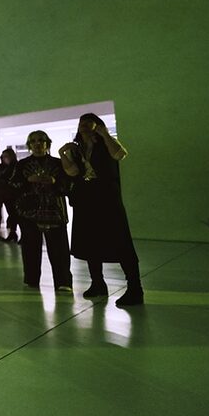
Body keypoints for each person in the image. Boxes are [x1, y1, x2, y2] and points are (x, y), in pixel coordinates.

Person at [60, 113, 143, 306]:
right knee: (90, 243)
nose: (84, 126)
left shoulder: (105, 144)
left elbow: (120, 154)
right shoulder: (77, 149)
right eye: (81, 122)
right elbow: (71, 172)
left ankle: (135, 288)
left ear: (98, 125)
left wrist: (105, 135)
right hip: (85, 201)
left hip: (108, 200)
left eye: (89, 122)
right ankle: (98, 283)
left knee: (121, 241)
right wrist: (63, 153)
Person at [10, 131, 72, 293]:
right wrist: (27, 181)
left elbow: (67, 185)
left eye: (41, 140)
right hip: (29, 213)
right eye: (33, 141)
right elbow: (13, 185)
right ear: (29, 145)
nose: (37, 144)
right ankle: (31, 279)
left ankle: (63, 281)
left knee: (59, 249)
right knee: (30, 248)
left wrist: (54, 182)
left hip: (55, 212)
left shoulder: (58, 163)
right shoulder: (22, 165)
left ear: (47, 143)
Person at [0, 148, 20, 243]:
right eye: (3, 157)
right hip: (7, 195)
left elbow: (8, 178)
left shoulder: (15, 166)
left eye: (6, 156)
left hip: (14, 195)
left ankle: (16, 234)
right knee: (12, 215)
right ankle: (13, 233)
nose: (4, 158)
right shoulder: (5, 167)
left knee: (16, 215)